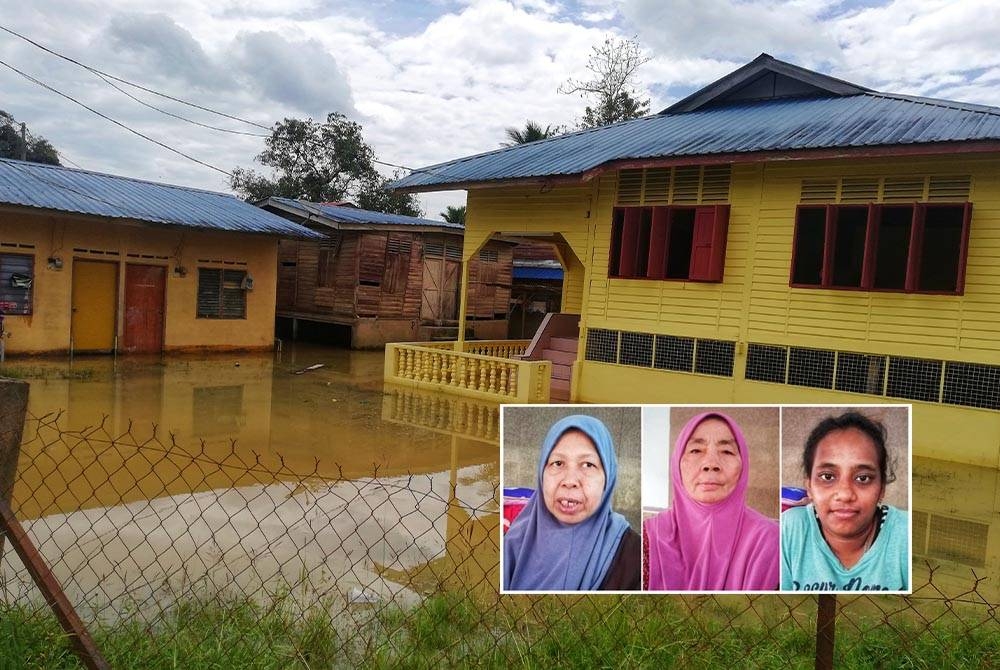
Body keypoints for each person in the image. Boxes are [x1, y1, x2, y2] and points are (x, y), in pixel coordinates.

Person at [503, 414, 640, 591]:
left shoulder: (635, 557)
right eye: (558, 463)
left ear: (608, 478)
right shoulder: (513, 540)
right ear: (541, 473)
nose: (570, 480)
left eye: (588, 465)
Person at [644, 411, 779, 591]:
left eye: (726, 451)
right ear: (677, 463)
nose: (710, 463)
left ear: (743, 464)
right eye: (696, 450)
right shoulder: (648, 539)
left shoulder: (773, 542)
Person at [781, 412, 909, 592]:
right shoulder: (791, 530)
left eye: (863, 478)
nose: (845, 494)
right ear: (809, 486)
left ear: (881, 489)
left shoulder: (905, 536)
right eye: (827, 476)